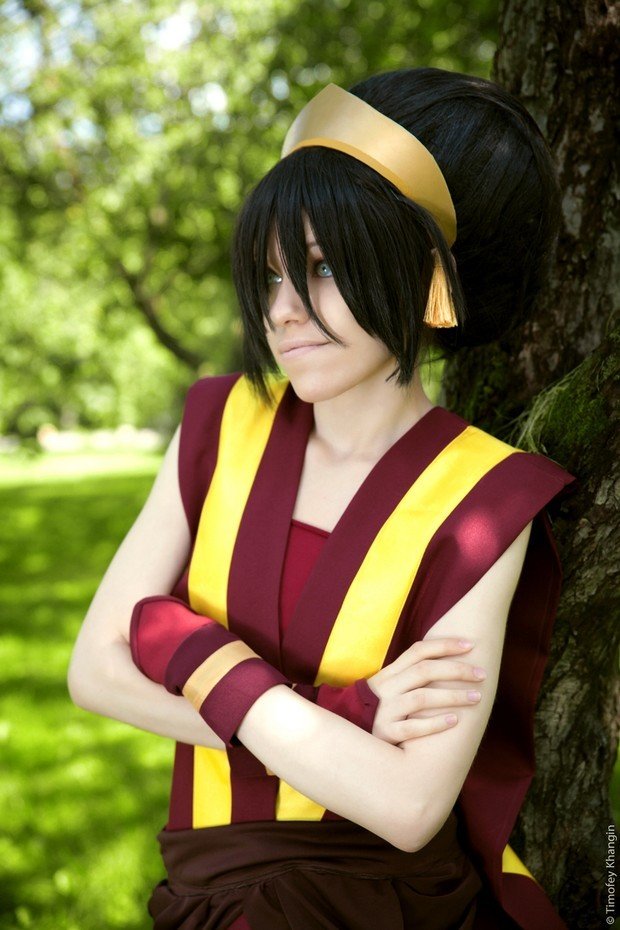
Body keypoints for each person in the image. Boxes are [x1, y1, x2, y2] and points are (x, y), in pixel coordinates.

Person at [67, 68, 579, 930]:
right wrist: (340, 716)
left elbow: (409, 807)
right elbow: (93, 672)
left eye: (323, 267)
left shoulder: (488, 496)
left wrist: (193, 652)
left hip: (373, 900)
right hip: (201, 888)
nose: (283, 311)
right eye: (270, 275)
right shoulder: (222, 422)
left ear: (424, 275)